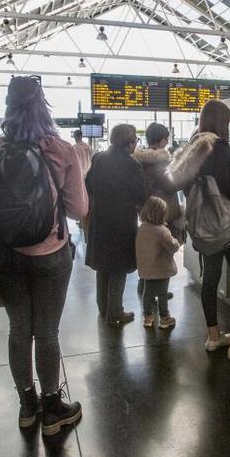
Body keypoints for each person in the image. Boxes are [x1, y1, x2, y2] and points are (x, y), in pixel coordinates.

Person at [0, 76, 88, 435]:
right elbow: (78, 210)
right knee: (46, 332)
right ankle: (53, 409)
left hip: (4, 255)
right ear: (44, 108)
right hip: (49, 254)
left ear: (8, 108)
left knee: (18, 330)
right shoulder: (59, 149)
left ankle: (27, 407)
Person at [168, 100, 230, 361]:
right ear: (222, 123)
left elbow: (181, 184)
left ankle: (213, 337)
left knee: (209, 279)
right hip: (224, 227)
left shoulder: (192, 148)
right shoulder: (220, 149)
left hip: (201, 226)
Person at [85, 124, 148, 326]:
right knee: (118, 268)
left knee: (102, 266)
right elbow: (141, 194)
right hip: (122, 221)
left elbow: (88, 184)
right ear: (129, 143)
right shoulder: (132, 165)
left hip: (100, 217)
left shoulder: (99, 158)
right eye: (135, 141)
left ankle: (103, 310)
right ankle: (115, 313)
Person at [132, 123, 181, 301]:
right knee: (164, 250)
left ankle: (145, 285)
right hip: (162, 209)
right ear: (160, 140)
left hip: (147, 209)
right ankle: (156, 290)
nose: (168, 141)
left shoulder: (142, 158)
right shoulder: (159, 160)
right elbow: (169, 185)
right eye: (166, 138)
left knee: (151, 248)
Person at [136, 196, 180, 329]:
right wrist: (177, 242)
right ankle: (165, 317)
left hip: (146, 268)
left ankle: (148, 317)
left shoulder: (141, 228)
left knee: (147, 292)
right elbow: (172, 247)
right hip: (161, 268)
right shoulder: (162, 231)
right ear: (162, 214)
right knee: (162, 293)